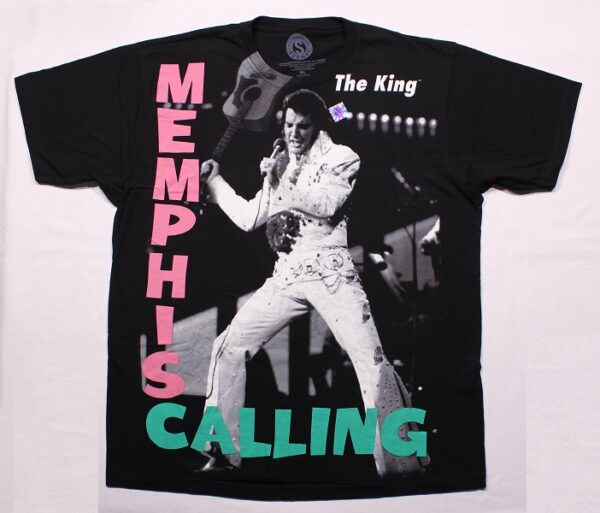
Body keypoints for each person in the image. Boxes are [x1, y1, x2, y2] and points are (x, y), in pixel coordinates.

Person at [199, 89, 429, 477]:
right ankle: (222, 454)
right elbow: (249, 217)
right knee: (228, 347)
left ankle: (402, 466)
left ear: (317, 126)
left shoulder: (343, 158)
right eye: (288, 125)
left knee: (371, 363)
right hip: (287, 277)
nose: (293, 133)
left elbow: (325, 205)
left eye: (302, 127)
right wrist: (216, 183)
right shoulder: (282, 163)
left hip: (331, 275)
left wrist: (278, 179)